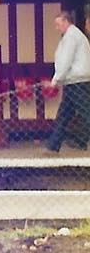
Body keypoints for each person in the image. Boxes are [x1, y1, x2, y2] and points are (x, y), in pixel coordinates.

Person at [45, 11, 90, 153]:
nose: (57, 28)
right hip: (73, 81)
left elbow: (65, 60)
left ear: (66, 21)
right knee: (65, 114)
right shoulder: (74, 35)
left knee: (84, 112)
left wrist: (55, 80)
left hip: (76, 81)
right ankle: (54, 145)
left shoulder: (71, 37)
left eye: (58, 24)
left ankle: (57, 144)